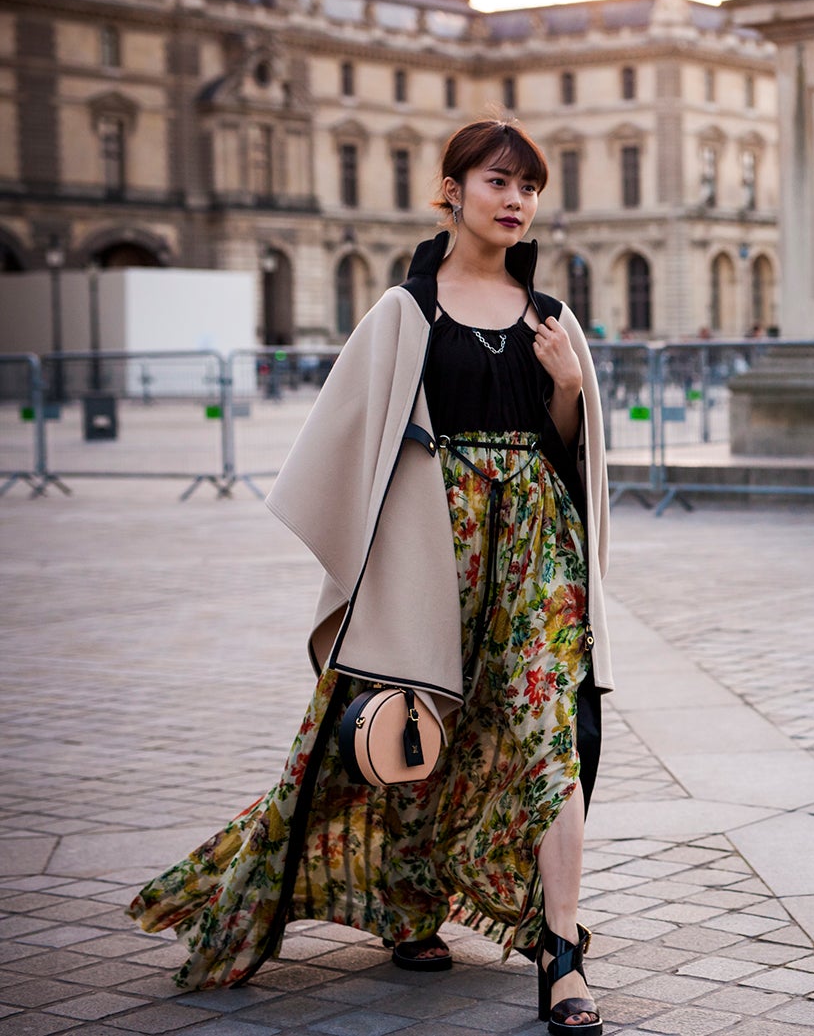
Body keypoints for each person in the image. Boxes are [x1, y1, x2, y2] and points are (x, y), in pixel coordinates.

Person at [128, 119, 612, 1036]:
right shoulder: (405, 311)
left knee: (551, 736)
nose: (516, 201)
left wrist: (568, 390)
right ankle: (409, 905)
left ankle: (561, 949)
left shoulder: (554, 318)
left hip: (536, 546)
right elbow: (347, 439)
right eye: (498, 181)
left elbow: (569, 452)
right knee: (419, 727)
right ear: (453, 189)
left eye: (530, 188)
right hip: (433, 546)